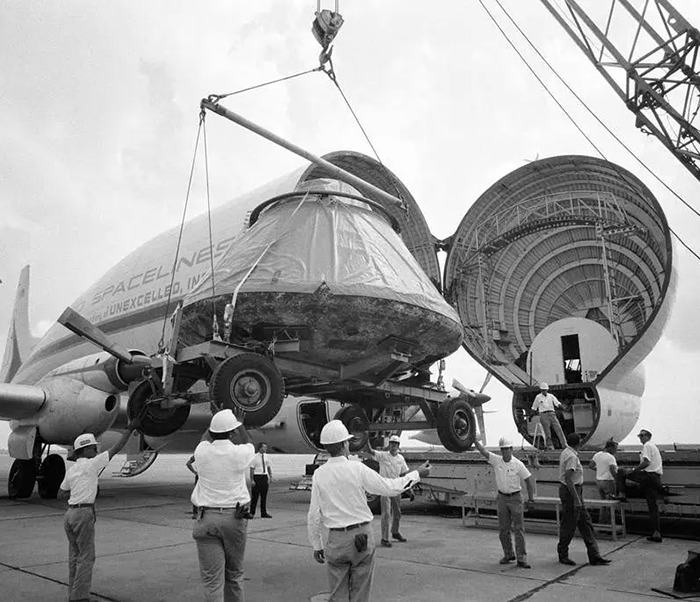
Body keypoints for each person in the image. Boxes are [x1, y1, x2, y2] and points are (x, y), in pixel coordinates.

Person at [307, 420, 430, 602]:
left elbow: (313, 515)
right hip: (361, 538)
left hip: (336, 540)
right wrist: (417, 474)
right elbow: (390, 488)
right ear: (344, 444)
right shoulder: (357, 469)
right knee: (360, 592)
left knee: (338, 595)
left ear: (326, 447)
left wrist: (316, 545)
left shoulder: (319, 474)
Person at [58, 419, 141, 602]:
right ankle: (80, 598)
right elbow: (116, 448)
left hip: (70, 514)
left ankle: (73, 595)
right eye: (93, 447)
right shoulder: (92, 464)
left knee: (74, 556)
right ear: (85, 450)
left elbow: (61, 494)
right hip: (83, 514)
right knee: (87, 557)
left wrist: (78, 496)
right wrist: (129, 429)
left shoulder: (72, 470)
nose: (96, 449)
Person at [190, 409, 255, 602]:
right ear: (232, 432)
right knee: (234, 575)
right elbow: (249, 443)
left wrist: (216, 417)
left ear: (211, 432)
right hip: (234, 519)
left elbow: (205, 438)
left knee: (212, 581)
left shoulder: (202, 451)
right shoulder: (239, 453)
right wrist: (240, 423)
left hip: (206, 519)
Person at [473, 434, 535, 568]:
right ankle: (508, 554)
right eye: (503, 449)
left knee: (519, 529)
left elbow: (529, 481)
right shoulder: (496, 461)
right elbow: (483, 451)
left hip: (515, 497)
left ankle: (521, 558)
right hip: (502, 497)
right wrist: (474, 439)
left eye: (507, 448)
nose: (505, 451)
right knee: (503, 529)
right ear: (500, 450)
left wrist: (531, 499)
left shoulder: (518, 464)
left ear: (511, 449)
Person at [557, 432, 611, 567]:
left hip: (573, 491)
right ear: (579, 443)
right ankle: (563, 554)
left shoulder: (567, 452)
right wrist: (577, 499)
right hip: (572, 492)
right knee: (569, 524)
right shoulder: (571, 457)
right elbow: (568, 479)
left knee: (586, 523)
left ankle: (594, 555)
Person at [616, 428, 664, 542]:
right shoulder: (654, 446)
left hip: (648, 476)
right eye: (639, 436)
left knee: (621, 471)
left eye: (642, 436)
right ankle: (656, 533)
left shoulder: (647, 446)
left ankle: (622, 493)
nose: (640, 438)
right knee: (652, 506)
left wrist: (633, 470)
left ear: (648, 436)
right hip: (656, 478)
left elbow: (646, 462)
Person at [364, 434, 410, 547]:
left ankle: (395, 532)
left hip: (396, 487)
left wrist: (407, 487)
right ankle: (384, 538)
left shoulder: (401, 458)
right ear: (389, 445)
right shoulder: (383, 456)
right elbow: (370, 451)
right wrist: (365, 438)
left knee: (397, 513)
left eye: (395, 444)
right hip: (385, 487)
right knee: (386, 514)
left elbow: (403, 473)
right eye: (392, 443)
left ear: (398, 446)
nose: (393, 445)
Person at [589, 440, 618, 524]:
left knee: (603, 503)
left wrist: (599, 469)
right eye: (615, 449)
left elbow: (591, 466)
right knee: (610, 504)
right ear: (610, 447)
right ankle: (610, 524)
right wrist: (617, 479)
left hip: (599, 481)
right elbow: (612, 469)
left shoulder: (597, 455)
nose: (616, 451)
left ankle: (602, 523)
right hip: (608, 481)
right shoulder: (610, 457)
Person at [531, 383, 566, 450]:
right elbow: (534, 407)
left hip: (552, 414)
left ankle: (564, 444)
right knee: (547, 432)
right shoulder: (538, 397)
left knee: (558, 429)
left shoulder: (551, 396)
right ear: (541, 390)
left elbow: (557, 403)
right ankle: (550, 446)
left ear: (547, 390)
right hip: (543, 414)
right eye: (543, 390)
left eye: (545, 390)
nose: (544, 391)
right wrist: (531, 415)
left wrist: (562, 407)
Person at [249, 442, 273, 518]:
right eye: (264, 447)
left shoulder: (266, 456)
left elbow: (268, 466)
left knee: (264, 496)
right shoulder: (254, 457)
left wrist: (270, 475)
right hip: (257, 476)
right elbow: (252, 469)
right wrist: (252, 480)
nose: (266, 449)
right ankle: (252, 512)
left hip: (264, 476)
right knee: (255, 496)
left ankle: (263, 512)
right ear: (260, 448)